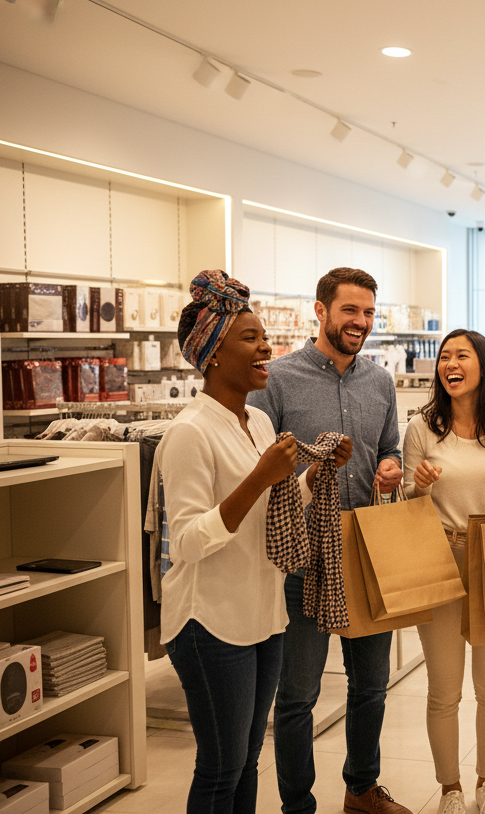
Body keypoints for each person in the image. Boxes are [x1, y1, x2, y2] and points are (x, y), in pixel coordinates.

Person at [159, 270, 350, 813]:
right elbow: (190, 541)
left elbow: (277, 509)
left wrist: (315, 476)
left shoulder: (259, 422)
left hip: (261, 615)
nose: (267, 346)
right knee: (219, 768)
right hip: (210, 622)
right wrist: (259, 479)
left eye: (264, 335)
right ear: (213, 354)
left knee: (245, 761)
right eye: (251, 338)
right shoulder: (189, 433)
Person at [248, 267, 408, 814]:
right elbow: (258, 467)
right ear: (321, 310)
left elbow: (391, 447)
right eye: (350, 311)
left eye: (368, 313)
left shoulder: (380, 381)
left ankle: (361, 789)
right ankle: (298, 803)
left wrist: (390, 466)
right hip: (301, 556)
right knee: (297, 696)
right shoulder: (277, 380)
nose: (360, 323)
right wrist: (307, 478)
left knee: (371, 685)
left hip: (364, 548)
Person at [403, 329, 485, 814]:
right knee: (443, 687)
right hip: (438, 557)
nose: (450, 365)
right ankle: (451, 787)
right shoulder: (421, 427)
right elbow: (408, 503)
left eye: (462, 356)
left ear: (483, 366)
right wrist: (418, 485)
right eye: (444, 357)